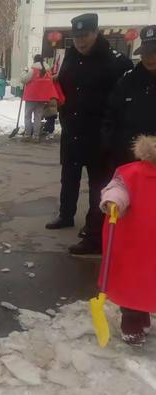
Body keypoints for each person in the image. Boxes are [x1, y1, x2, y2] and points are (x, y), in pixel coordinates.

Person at [46, 13, 133, 256]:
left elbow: (125, 100)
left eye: (85, 36)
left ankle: (94, 235)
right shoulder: (71, 56)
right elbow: (65, 82)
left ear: (96, 33)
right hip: (73, 130)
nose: (80, 42)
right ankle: (66, 215)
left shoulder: (116, 62)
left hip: (99, 135)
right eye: (76, 37)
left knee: (98, 185)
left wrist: (112, 132)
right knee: (69, 176)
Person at [99, 135, 156, 346]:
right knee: (133, 283)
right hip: (135, 244)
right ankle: (132, 322)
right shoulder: (132, 172)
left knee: (150, 284)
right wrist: (113, 200)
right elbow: (117, 188)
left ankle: (142, 315)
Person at [102, 25, 156, 168]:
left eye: (154, 52)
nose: (149, 58)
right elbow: (110, 116)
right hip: (127, 162)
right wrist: (112, 146)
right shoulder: (128, 81)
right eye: (146, 53)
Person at [21, 55, 58, 143]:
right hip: (42, 98)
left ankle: (27, 135)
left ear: (35, 60)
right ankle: (36, 136)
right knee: (37, 117)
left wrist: (24, 72)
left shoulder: (32, 70)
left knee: (28, 116)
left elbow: (24, 80)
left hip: (31, 96)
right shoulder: (48, 71)